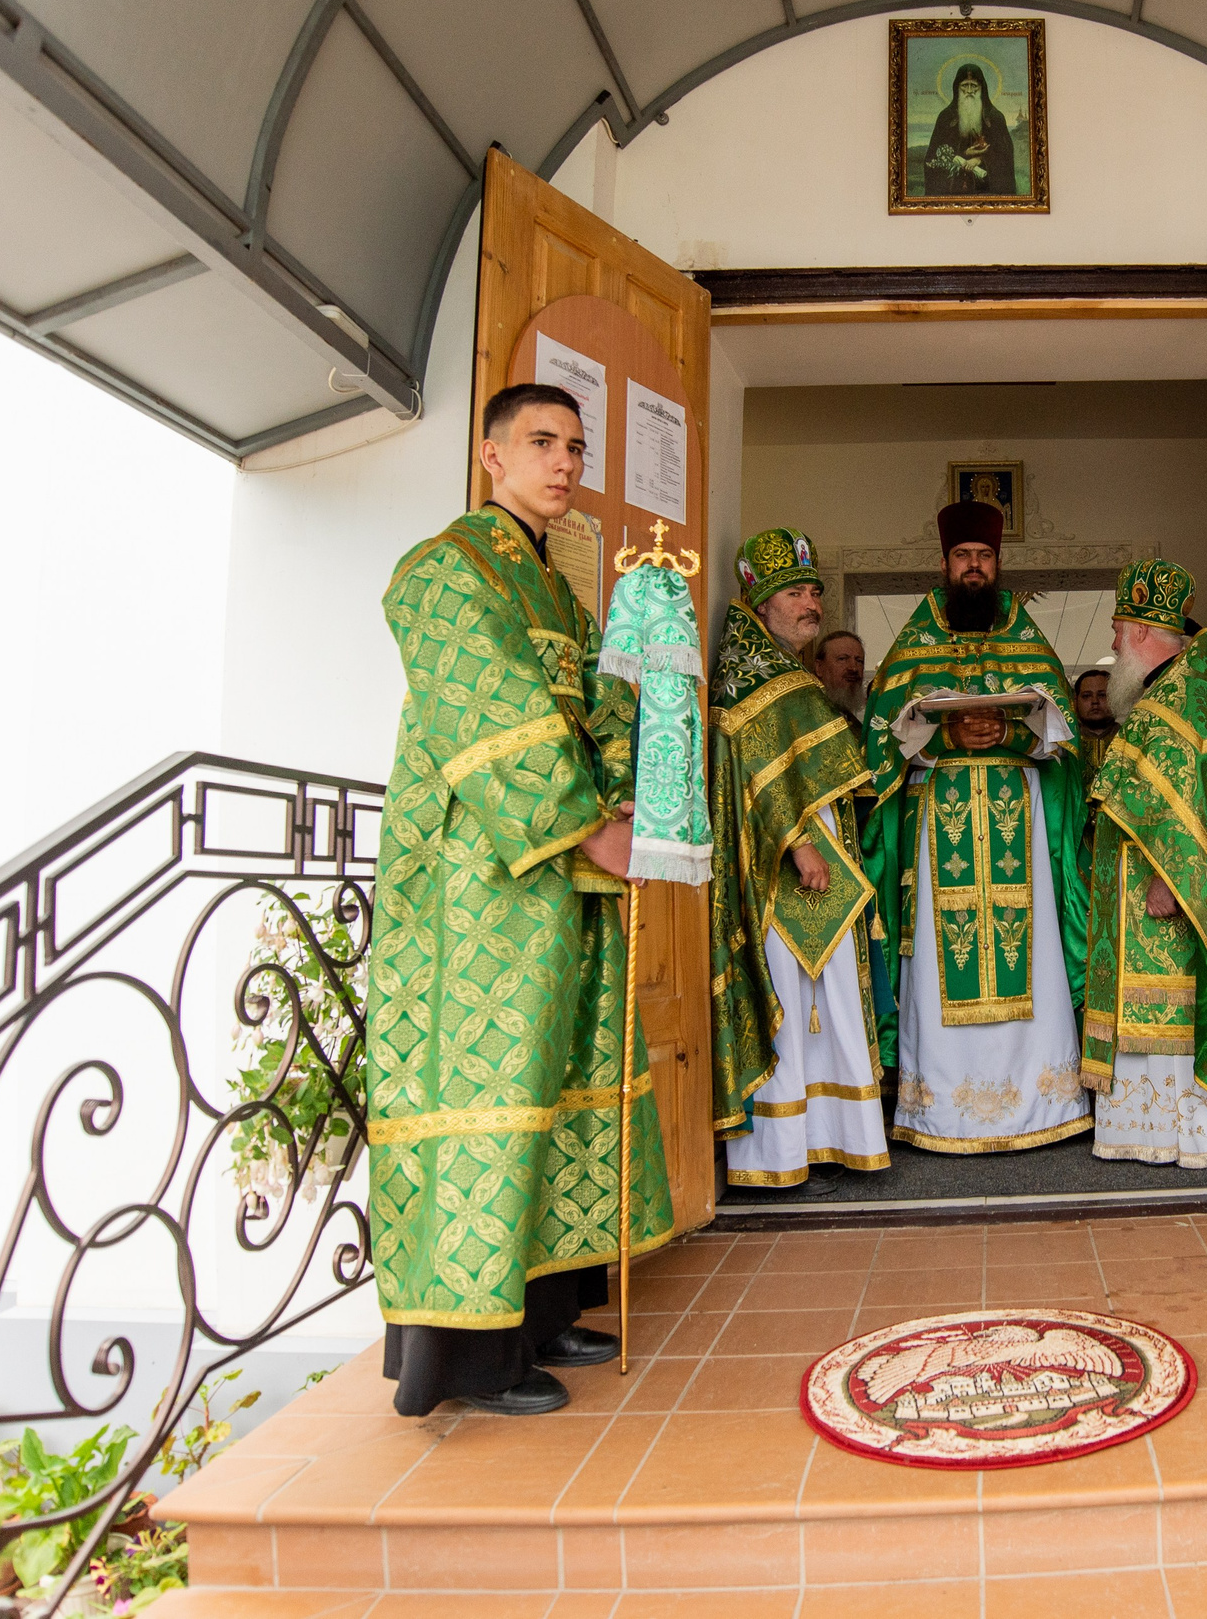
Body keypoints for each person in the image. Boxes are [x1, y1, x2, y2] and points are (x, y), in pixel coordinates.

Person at [368, 383, 674, 1417]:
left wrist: (637, 780)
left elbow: (600, 700)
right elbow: (485, 705)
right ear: (489, 454)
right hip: (475, 883)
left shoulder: (559, 593)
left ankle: (540, 1314)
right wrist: (588, 820)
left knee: (551, 1083)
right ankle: (468, 1360)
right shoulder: (442, 569)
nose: (563, 462)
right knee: (485, 1099)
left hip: (557, 875)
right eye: (541, 442)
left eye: (576, 447)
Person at [861, 501, 1089, 1153]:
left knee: (1032, 952)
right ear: (944, 562)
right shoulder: (916, 639)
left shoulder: (1026, 635)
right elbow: (883, 735)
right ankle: (939, 1109)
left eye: (984, 557)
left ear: (998, 563)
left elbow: (1064, 736)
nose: (973, 568)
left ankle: (1041, 1102)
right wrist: (939, 733)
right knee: (941, 955)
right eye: (963, 556)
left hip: (1019, 820)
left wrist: (1014, 730)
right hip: (940, 824)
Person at [707, 529, 891, 1188]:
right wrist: (801, 844)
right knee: (793, 997)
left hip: (821, 864)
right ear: (762, 601)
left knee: (832, 995)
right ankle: (780, 1150)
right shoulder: (751, 671)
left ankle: (830, 1136)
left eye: (814, 590)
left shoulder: (784, 668)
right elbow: (757, 766)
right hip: (787, 871)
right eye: (795, 592)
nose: (810, 602)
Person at [1081, 561, 1207, 1166]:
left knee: (1166, 1004)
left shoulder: (1180, 697)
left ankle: (1181, 1136)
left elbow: (1185, 805)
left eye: (1115, 631)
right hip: (1144, 886)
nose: (1111, 645)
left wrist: (1169, 877)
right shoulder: (1179, 687)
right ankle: (1150, 1131)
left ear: (1138, 632)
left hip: (1162, 891)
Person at [924, 63, 1016, 197]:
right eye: (964, 85)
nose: (969, 90)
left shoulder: (995, 118)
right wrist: (964, 153)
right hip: (952, 192)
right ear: (957, 88)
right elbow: (932, 157)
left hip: (986, 191)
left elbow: (1006, 156)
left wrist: (980, 159)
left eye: (973, 86)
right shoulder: (946, 117)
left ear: (981, 88)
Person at [812, 629, 868, 721]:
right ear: (819, 667)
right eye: (842, 659)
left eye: (859, 661)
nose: (853, 668)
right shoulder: (806, 713)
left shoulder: (848, 718)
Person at [1072, 668, 1117, 777]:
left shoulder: (1128, 738)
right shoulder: (1068, 742)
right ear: (1075, 701)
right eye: (1087, 696)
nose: (1095, 702)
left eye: (1102, 695)